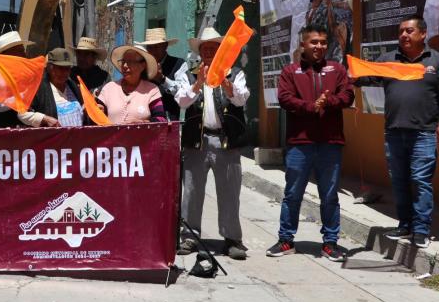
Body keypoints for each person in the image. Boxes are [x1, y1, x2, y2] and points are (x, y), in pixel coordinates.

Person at [268, 25, 354, 262]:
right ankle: (286, 240)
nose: (319, 46)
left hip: (330, 142)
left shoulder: (337, 69)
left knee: (330, 195)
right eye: (314, 42)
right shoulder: (290, 71)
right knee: (293, 194)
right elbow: (285, 98)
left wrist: (329, 102)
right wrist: (310, 107)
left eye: (323, 42)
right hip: (300, 143)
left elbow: (348, 95)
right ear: (303, 44)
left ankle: (330, 243)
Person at [355, 16, 439, 248]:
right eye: (401, 31)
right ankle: (404, 226)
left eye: (409, 31)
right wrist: (348, 73)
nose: (403, 35)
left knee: (420, 181)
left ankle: (421, 231)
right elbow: (366, 76)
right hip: (393, 133)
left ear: (423, 33)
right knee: (399, 181)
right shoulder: (388, 60)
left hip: (423, 133)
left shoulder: (435, 60)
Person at [176, 27, 251, 260]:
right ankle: (189, 236)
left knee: (229, 191)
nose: (209, 52)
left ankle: (232, 238)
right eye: (205, 48)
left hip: (225, 140)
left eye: (213, 48)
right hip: (196, 140)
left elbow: (241, 99)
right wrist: (198, 83)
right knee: (191, 191)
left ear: (221, 51)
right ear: (200, 52)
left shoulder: (234, 73)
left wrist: (227, 85)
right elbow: (182, 102)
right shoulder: (189, 74)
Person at [19, 48, 89, 127]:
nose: (64, 72)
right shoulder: (39, 89)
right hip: (54, 135)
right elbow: (22, 113)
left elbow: (82, 108)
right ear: (50, 68)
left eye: (67, 68)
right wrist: (45, 119)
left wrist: (87, 110)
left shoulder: (73, 86)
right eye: (60, 68)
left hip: (77, 134)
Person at [97, 45, 166, 124]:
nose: (125, 66)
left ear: (143, 66)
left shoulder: (152, 90)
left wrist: (142, 123)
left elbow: (161, 119)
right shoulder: (109, 88)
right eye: (123, 61)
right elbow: (98, 115)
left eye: (130, 62)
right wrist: (98, 112)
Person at [138, 28, 189, 122]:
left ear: (165, 46)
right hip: (146, 120)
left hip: (170, 120)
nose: (153, 51)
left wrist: (162, 79)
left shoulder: (178, 64)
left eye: (156, 47)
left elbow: (184, 93)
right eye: (150, 47)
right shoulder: (142, 65)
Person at [0, 30, 34, 127]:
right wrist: (24, 97)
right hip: (6, 126)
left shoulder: (27, 72)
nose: (24, 54)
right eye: (20, 51)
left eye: (23, 50)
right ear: (6, 55)